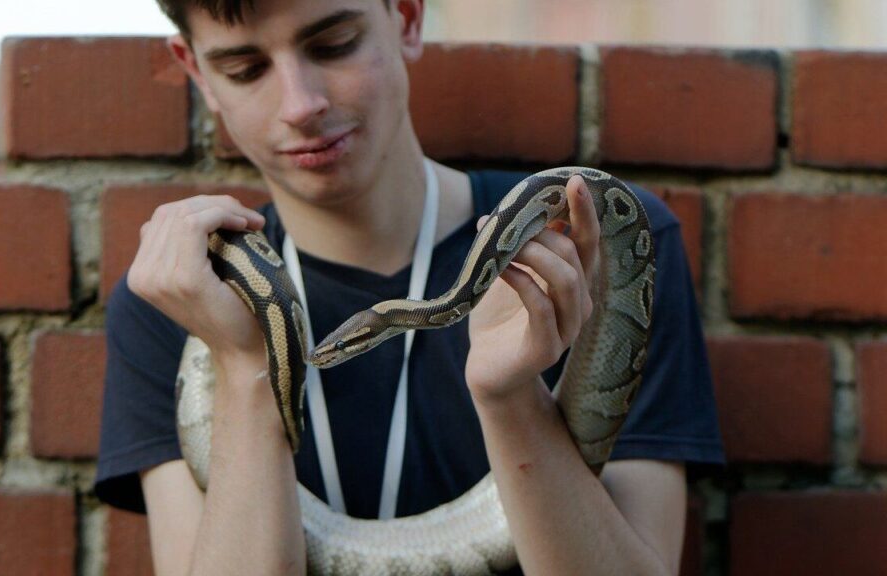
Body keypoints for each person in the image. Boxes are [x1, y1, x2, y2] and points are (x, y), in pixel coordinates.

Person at [94, 1, 724, 575]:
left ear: (408, 16)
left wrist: (509, 401)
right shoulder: (175, 301)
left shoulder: (597, 249)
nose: (300, 104)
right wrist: (244, 369)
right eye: (244, 68)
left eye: (334, 43)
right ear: (196, 72)